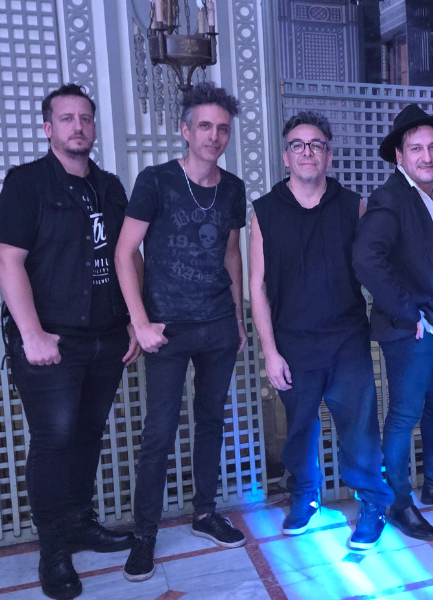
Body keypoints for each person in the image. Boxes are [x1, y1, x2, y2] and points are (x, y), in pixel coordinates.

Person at [0, 84, 139, 600]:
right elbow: (8, 259)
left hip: (106, 335)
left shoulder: (110, 187)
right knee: (54, 440)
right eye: (66, 118)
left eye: (85, 118)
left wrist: (134, 319)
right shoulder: (26, 183)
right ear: (48, 128)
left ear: (93, 127)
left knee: (87, 434)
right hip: (51, 339)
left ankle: (80, 522)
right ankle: (54, 547)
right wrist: (31, 334)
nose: (77, 126)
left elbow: (128, 254)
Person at [115, 82, 248, 582]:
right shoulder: (155, 181)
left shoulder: (233, 188)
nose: (214, 136)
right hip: (166, 329)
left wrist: (238, 319)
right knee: (159, 431)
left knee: (211, 421)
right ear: (186, 130)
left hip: (217, 325)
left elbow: (231, 254)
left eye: (222, 129)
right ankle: (144, 533)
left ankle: (204, 512)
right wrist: (140, 321)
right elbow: (124, 252)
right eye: (205, 126)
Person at [249, 111, 394, 550]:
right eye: (298, 144)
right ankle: (304, 495)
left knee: (359, 429)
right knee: (299, 429)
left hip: (347, 338)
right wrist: (270, 352)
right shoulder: (265, 212)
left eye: (316, 144)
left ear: (328, 155)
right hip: (292, 341)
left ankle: (372, 502)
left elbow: (375, 267)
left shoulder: (353, 206)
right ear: (286, 156)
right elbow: (256, 286)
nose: (307, 152)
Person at [353, 104, 433, 541]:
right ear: (399, 156)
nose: (427, 156)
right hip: (411, 328)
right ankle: (399, 503)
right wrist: (406, 309)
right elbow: (367, 259)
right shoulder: (390, 197)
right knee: (404, 414)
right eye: (416, 148)